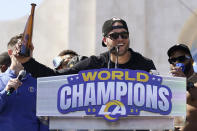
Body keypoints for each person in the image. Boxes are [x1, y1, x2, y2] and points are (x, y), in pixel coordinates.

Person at [14, 17, 156, 78]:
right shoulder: (94, 63)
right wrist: (27, 61)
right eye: (114, 36)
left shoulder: (145, 64)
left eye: (124, 35)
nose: (120, 39)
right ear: (105, 40)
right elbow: (55, 77)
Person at [0, 34, 49, 131]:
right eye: (22, 49)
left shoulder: (38, 82)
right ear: (10, 52)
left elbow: (45, 120)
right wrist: (5, 93)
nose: (26, 54)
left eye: (29, 50)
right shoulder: (1, 80)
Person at [167, 44, 197, 131]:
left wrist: (186, 83)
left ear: (191, 60)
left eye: (181, 59)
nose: (176, 63)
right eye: (173, 60)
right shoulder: (169, 85)